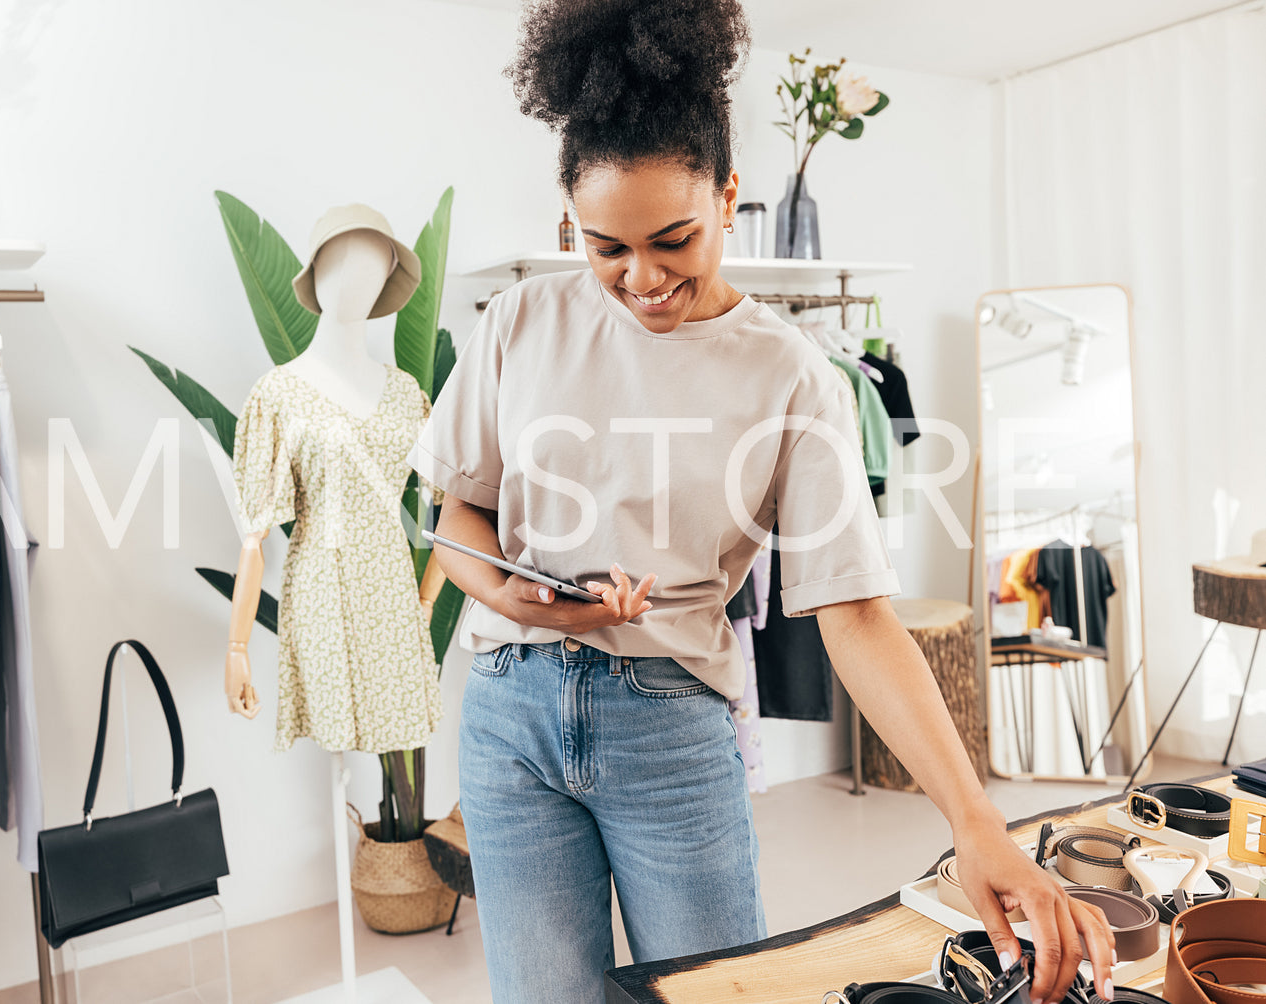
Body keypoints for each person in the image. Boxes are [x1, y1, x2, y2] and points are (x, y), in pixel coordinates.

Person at [406, 1, 1116, 1001]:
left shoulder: (791, 375)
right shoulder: (522, 319)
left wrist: (974, 820)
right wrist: (518, 598)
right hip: (507, 717)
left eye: (672, 238)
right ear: (568, 216)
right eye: (604, 246)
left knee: (718, 992)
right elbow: (456, 511)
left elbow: (856, 614)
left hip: (665, 719)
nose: (639, 277)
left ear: (727, 196)